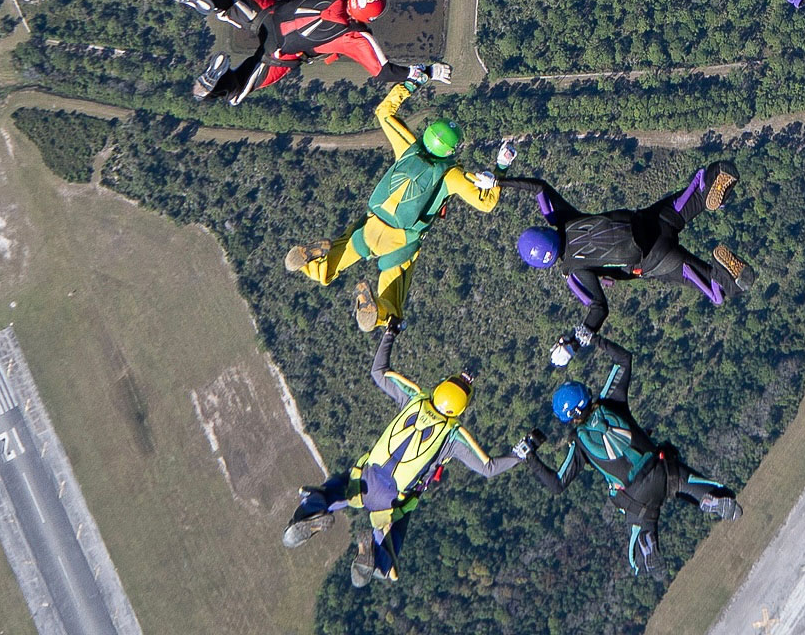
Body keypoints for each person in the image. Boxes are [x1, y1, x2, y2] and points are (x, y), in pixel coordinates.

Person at [281, 330, 525, 587]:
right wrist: (520, 453)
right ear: (462, 409)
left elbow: (379, 372)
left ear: (440, 385)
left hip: (364, 478)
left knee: (334, 490)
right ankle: (378, 560)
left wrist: (390, 333)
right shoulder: (454, 437)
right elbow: (488, 468)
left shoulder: (414, 398)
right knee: (393, 534)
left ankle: (310, 510)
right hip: (391, 500)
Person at [284, 79, 501, 331]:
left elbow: (384, 112)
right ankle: (376, 315)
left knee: (331, 264)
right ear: (451, 150)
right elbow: (486, 203)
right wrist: (499, 173)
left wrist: (413, 82)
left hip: (370, 225)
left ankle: (313, 263)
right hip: (400, 240)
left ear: (428, 134)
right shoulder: (452, 175)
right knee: (392, 302)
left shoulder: (408, 147)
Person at [528, 334, 738, 575]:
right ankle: (709, 498)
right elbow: (624, 360)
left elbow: (557, 484)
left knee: (639, 547)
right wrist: (592, 339)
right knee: (688, 484)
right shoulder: (611, 402)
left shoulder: (579, 443)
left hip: (636, 498)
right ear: (586, 394)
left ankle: (648, 547)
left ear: (568, 418)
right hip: (662, 469)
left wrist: (530, 457)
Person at [169, 0, 441, 105]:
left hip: (269, 13)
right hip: (280, 54)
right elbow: (384, 72)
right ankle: (217, 87)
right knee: (238, 88)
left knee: (229, 3)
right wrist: (424, 72)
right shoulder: (355, 37)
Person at [507, 164, 745, 348]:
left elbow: (598, 308)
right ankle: (712, 179)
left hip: (656, 260)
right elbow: (539, 187)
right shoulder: (564, 219)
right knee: (694, 196)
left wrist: (575, 344)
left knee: (718, 291)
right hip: (651, 222)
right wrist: (498, 181)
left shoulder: (574, 271)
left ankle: (723, 277)